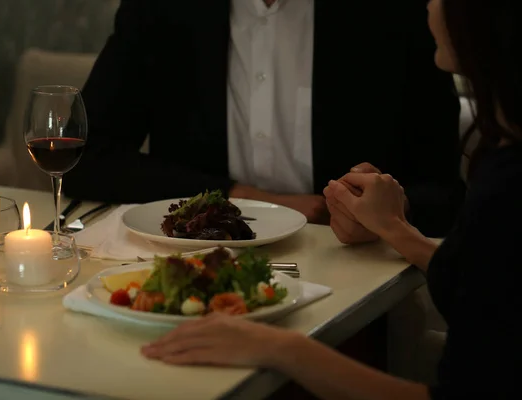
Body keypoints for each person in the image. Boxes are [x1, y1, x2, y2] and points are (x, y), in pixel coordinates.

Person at [141, 0, 522, 398]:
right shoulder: (505, 166)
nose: (429, 2)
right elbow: (482, 276)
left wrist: (282, 348)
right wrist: (392, 226)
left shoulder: (508, 186)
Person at [65, 0, 464, 239]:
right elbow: (86, 156)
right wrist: (247, 198)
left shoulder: (395, 14)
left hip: (352, 267)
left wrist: (390, 213)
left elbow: (445, 192)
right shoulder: (163, 10)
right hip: (194, 259)